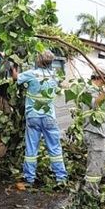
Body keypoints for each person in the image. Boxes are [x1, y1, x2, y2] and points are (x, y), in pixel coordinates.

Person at [11, 51, 68, 186]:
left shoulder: (31, 74)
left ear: (39, 61)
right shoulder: (55, 76)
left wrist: (13, 67)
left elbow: (15, 77)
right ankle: (61, 178)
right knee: (55, 148)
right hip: (49, 117)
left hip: (33, 117)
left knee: (31, 148)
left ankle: (29, 179)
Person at [83, 68, 105, 197]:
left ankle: (93, 180)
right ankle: (89, 193)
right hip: (94, 133)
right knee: (95, 164)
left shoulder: (98, 91)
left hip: (103, 133)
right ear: (99, 78)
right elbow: (95, 104)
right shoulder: (88, 90)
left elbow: (101, 112)